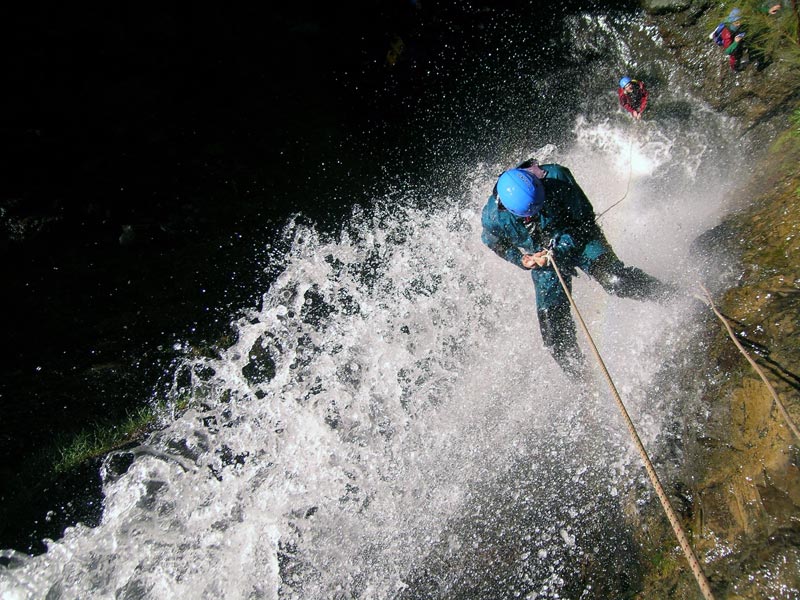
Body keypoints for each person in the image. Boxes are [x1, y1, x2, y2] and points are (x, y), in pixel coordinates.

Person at [480, 158, 678, 377]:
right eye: (529, 214)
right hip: (544, 264)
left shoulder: (557, 177)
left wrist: (558, 248)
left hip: (580, 240)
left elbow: (584, 220)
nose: (536, 214)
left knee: (616, 280)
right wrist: (523, 260)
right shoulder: (493, 217)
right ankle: (585, 381)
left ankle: (673, 297)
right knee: (553, 335)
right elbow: (493, 241)